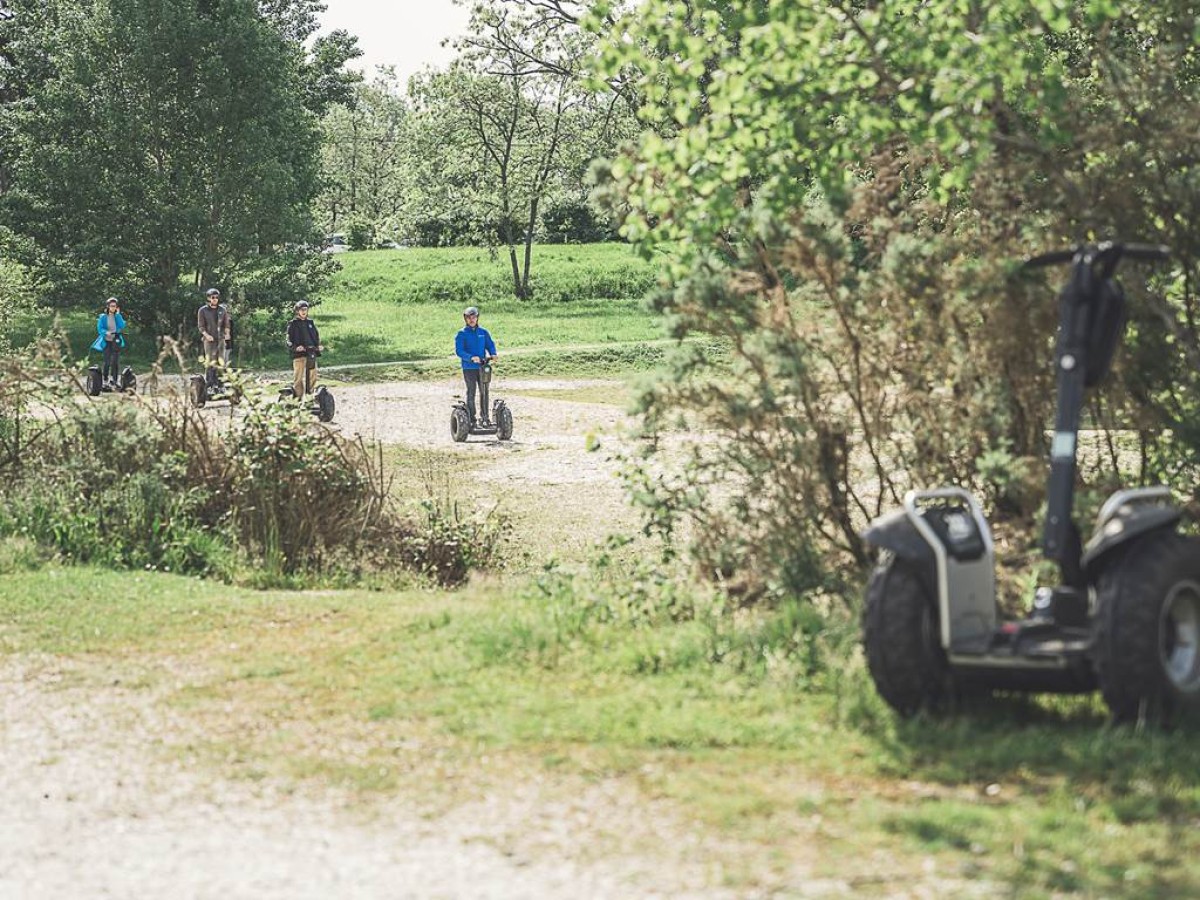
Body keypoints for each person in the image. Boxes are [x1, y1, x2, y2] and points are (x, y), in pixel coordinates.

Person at [454, 305, 497, 426]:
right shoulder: (461, 334)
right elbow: (459, 351)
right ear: (465, 319)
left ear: (477, 318)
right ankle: (471, 419)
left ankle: (485, 418)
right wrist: (471, 357)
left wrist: (493, 353)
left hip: (482, 367)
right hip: (469, 368)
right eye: (469, 317)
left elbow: (490, 344)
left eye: (474, 317)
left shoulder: (483, 332)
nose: (471, 320)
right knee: (471, 392)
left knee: (484, 391)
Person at [285, 300, 322, 399]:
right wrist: (295, 347)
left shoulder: (310, 323)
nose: (304, 311)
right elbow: (288, 340)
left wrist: (318, 345)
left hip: (311, 353)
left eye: (305, 309)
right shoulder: (293, 324)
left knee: (313, 375)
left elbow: (315, 336)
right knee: (298, 377)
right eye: (302, 310)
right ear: (297, 311)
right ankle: (298, 399)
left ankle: (310, 396)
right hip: (299, 355)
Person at [196, 287, 231, 389]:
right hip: (209, 340)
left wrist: (227, 333)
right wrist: (207, 335)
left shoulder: (222, 310)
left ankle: (221, 384)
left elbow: (226, 324)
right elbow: (201, 326)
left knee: (221, 361)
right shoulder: (203, 310)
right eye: (213, 297)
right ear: (208, 298)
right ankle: (210, 384)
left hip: (220, 339)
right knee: (211, 361)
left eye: (216, 297)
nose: (215, 299)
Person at [90, 297, 127, 388]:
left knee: (115, 362)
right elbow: (100, 328)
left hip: (116, 341)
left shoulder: (117, 316)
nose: (113, 308)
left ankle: (114, 380)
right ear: (108, 306)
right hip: (107, 341)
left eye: (115, 306)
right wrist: (106, 332)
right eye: (111, 306)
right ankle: (105, 380)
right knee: (107, 362)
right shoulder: (103, 317)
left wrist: (118, 315)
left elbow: (122, 325)